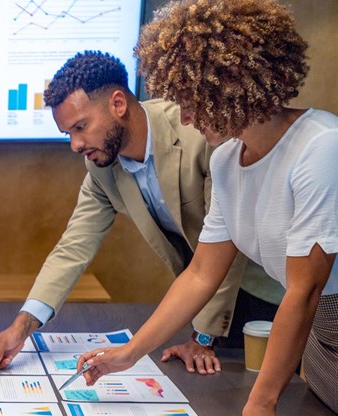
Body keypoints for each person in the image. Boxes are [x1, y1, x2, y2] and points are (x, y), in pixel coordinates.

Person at [76, 1, 338, 414]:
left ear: (233, 85)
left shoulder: (321, 145)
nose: (186, 115)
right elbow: (200, 274)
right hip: (322, 345)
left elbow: (305, 290)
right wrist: (129, 353)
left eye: (191, 99)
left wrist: (261, 403)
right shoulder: (226, 160)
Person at [0, 50, 283, 375]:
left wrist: (203, 335)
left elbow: (230, 245)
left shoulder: (199, 136)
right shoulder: (102, 167)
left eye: (81, 126)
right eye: (68, 133)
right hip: (199, 294)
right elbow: (73, 248)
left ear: (118, 104)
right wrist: (22, 326)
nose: (75, 145)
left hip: (261, 291)